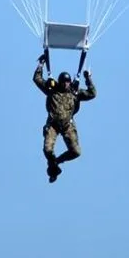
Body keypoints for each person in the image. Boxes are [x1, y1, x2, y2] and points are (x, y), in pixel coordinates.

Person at [33, 54, 96, 182]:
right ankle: (53, 166)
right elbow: (37, 79)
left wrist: (88, 78)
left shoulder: (75, 93)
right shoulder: (52, 90)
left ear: (70, 82)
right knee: (47, 150)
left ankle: (56, 162)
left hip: (68, 126)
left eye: (67, 82)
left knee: (76, 152)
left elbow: (92, 93)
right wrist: (41, 64)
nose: (65, 84)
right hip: (53, 125)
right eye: (63, 82)